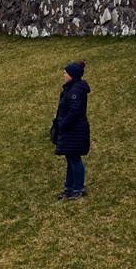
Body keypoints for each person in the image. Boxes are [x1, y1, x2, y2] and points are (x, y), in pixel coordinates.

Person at [54, 60, 90, 201]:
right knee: (70, 159)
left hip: (74, 130)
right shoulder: (71, 89)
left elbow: (75, 111)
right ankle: (69, 188)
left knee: (74, 159)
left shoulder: (75, 91)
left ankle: (79, 188)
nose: (64, 74)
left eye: (66, 72)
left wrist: (63, 124)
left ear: (72, 75)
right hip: (71, 130)